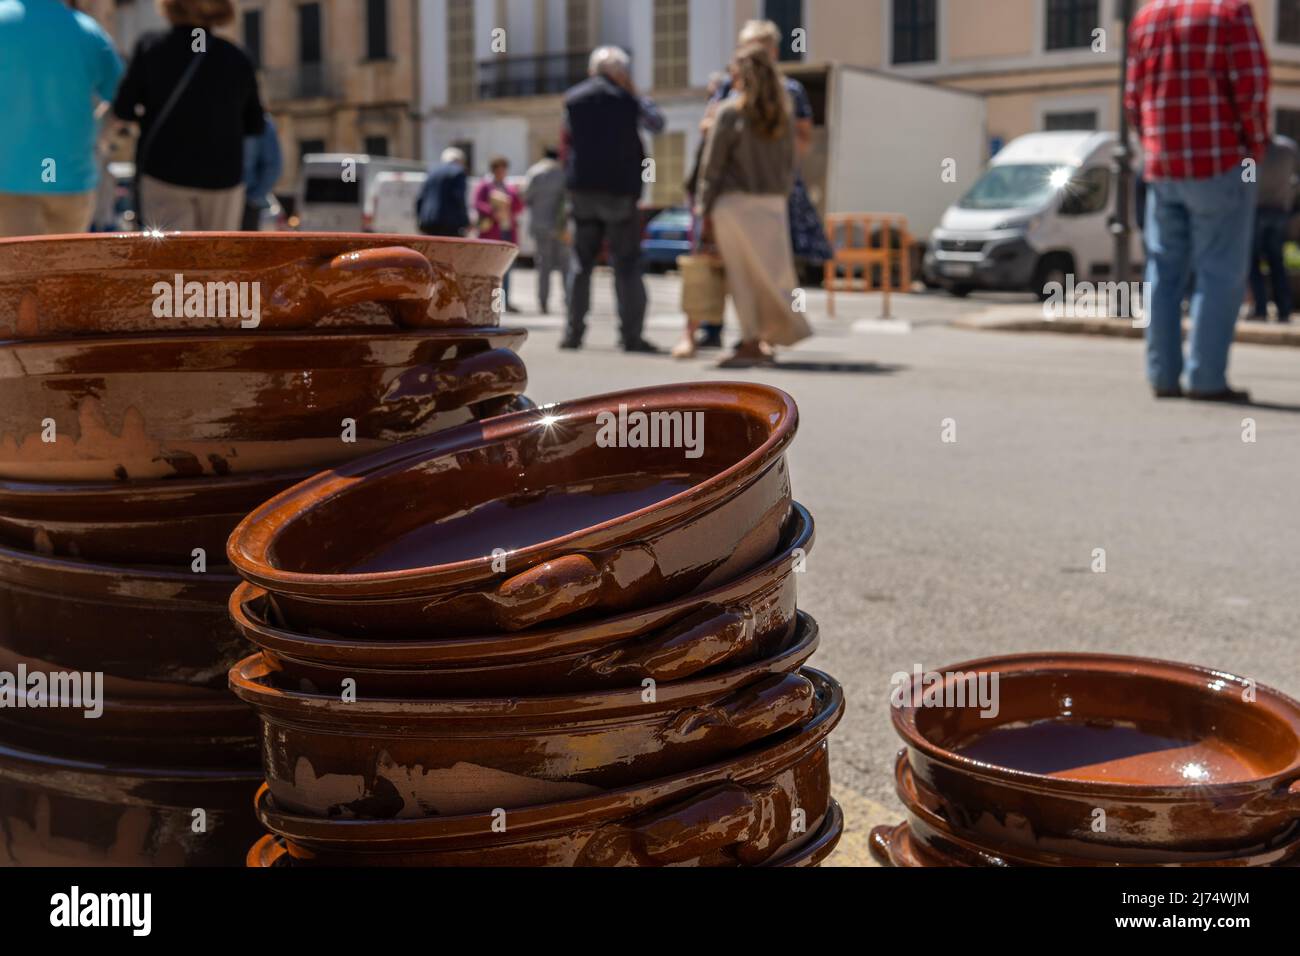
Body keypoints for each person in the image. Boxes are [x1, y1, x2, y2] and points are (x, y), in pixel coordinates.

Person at [1125, 0, 1269, 403]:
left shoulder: (1146, 15)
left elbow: (1133, 98)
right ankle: (1206, 379)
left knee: (1163, 273)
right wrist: (1254, 148)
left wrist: (1153, 145)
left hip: (1163, 168)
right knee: (1219, 273)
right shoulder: (1229, 11)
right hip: (1219, 162)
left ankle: (1163, 375)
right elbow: (1252, 86)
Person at [694, 19, 832, 349]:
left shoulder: (729, 112)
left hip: (733, 204)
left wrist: (704, 208)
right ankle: (784, 331)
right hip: (772, 202)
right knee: (776, 276)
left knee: (741, 277)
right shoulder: (784, 112)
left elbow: (711, 168)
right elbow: (792, 161)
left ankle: (752, 337)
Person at [112, 0, 264, 232]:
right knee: (215, 260)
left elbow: (123, 108)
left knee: (173, 261)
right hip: (222, 178)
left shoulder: (151, 48)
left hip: (164, 173)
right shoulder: (237, 58)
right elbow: (255, 125)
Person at [560, 46, 664, 353]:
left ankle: (573, 334)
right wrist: (633, 92)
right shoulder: (630, 100)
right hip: (620, 190)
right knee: (627, 263)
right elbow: (658, 124)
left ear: (593, 70)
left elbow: (567, 140)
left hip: (583, 190)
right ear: (620, 72)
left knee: (581, 263)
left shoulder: (573, 99)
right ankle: (631, 336)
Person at [0, 0, 123, 237]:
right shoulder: (88, 31)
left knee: (16, 272)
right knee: (65, 271)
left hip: (7, 179)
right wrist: (99, 134)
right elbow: (122, 95)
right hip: (72, 179)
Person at [1248, 134, 1297, 324]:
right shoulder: (1288, 148)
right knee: (1277, 262)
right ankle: (1284, 310)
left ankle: (1260, 309)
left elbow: (1247, 182)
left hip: (1256, 211)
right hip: (1280, 211)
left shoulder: (1250, 152)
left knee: (1253, 262)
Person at [473, 156, 524, 313]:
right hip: (492, 233)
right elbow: (477, 204)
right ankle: (488, 302)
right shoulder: (485, 186)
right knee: (490, 270)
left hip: (507, 231)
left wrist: (516, 197)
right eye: (500, 169)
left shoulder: (509, 187)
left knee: (506, 269)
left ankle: (503, 303)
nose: (502, 172)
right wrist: (494, 211)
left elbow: (518, 207)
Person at [524, 147, 568, 315]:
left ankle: (543, 302)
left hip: (540, 225)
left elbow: (526, 196)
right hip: (560, 227)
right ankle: (568, 301)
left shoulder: (534, 172)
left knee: (544, 266)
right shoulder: (563, 173)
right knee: (565, 265)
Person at [416, 147, 470, 237]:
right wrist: (465, 222)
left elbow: (420, 198)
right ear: (459, 160)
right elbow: (458, 198)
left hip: (428, 221)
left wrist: (420, 219)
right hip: (449, 224)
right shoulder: (458, 172)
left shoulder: (432, 172)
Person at [241, 113, 282, 231]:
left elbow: (273, 166)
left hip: (246, 203)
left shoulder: (261, 122)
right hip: (220, 198)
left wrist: (252, 198)